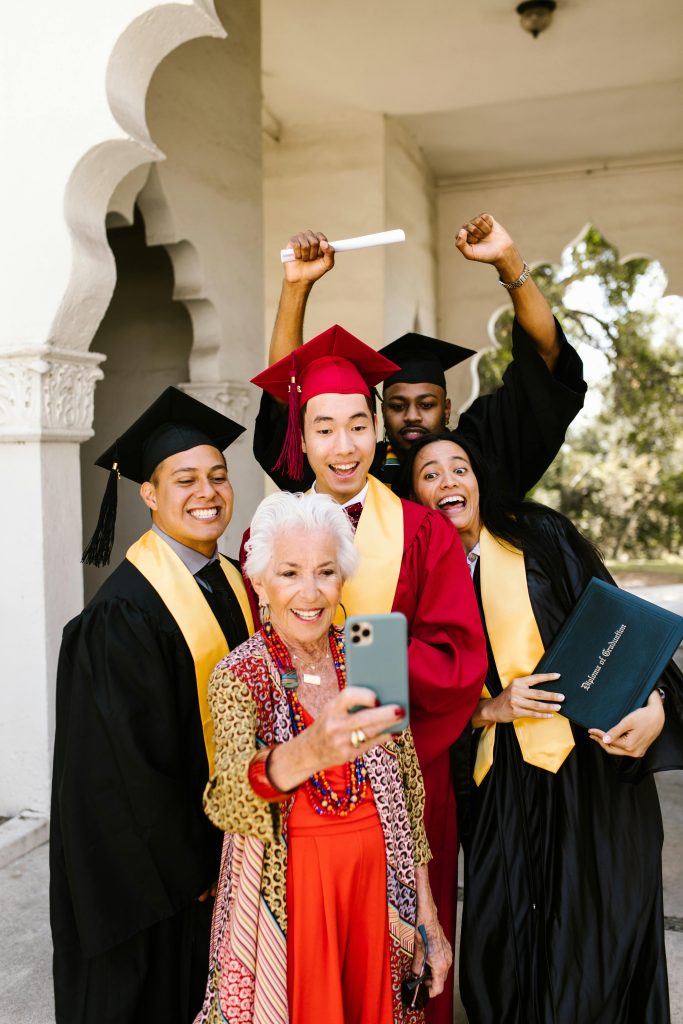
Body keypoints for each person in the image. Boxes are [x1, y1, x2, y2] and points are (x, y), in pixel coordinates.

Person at [397, 430, 683, 1024]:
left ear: (479, 480)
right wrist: (488, 709)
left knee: (604, 944)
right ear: (414, 497)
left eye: (460, 468)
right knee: (503, 957)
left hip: (590, 770)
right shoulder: (410, 580)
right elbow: (408, 696)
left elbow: (620, 627)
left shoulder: (538, 534)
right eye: (431, 474)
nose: (449, 481)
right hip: (502, 786)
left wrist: (653, 703)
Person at [249, 325, 487, 1024]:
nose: (345, 446)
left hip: (408, 772)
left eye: (358, 424)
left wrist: (357, 654)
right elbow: (256, 663)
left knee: (410, 961)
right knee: (315, 965)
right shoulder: (267, 533)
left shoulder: (422, 533)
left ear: (378, 431)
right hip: (301, 786)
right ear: (303, 440)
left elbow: (456, 659)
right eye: (325, 429)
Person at [196, 490, 450, 1024]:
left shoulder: (370, 654)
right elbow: (230, 797)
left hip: (381, 900)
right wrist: (312, 750)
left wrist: (427, 912)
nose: (310, 592)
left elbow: (406, 790)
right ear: (260, 583)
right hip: (295, 907)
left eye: (326, 572)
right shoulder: (240, 674)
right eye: (289, 573)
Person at [50, 387, 255, 1024]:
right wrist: (199, 862)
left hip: (221, 845)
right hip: (156, 879)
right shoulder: (122, 614)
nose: (207, 493)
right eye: (185, 479)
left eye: (218, 477)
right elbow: (126, 771)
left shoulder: (229, 580)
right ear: (149, 494)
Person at [254, 213, 587, 498]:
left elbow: (545, 359)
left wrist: (508, 261)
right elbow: (285, 399)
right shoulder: (351, 469)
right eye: (398, 406)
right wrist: (297, 288)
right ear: (379, 415)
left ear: (447, 408)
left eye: (426, 405)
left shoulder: (480, 455)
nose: (412, 416)